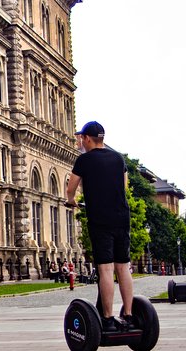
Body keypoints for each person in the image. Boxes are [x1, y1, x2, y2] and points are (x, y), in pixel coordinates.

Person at [66, 121, 133, 331]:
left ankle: (107, 318)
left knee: (105, 268)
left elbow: (71, 188)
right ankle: (129, 315)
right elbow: (124, 186)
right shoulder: (118, 158)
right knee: (123, 267)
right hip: (122, 218)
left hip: (100, 219)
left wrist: (71, 201)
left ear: (87, 138)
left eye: (81, 138)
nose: (80, 142)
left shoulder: (84, 160)